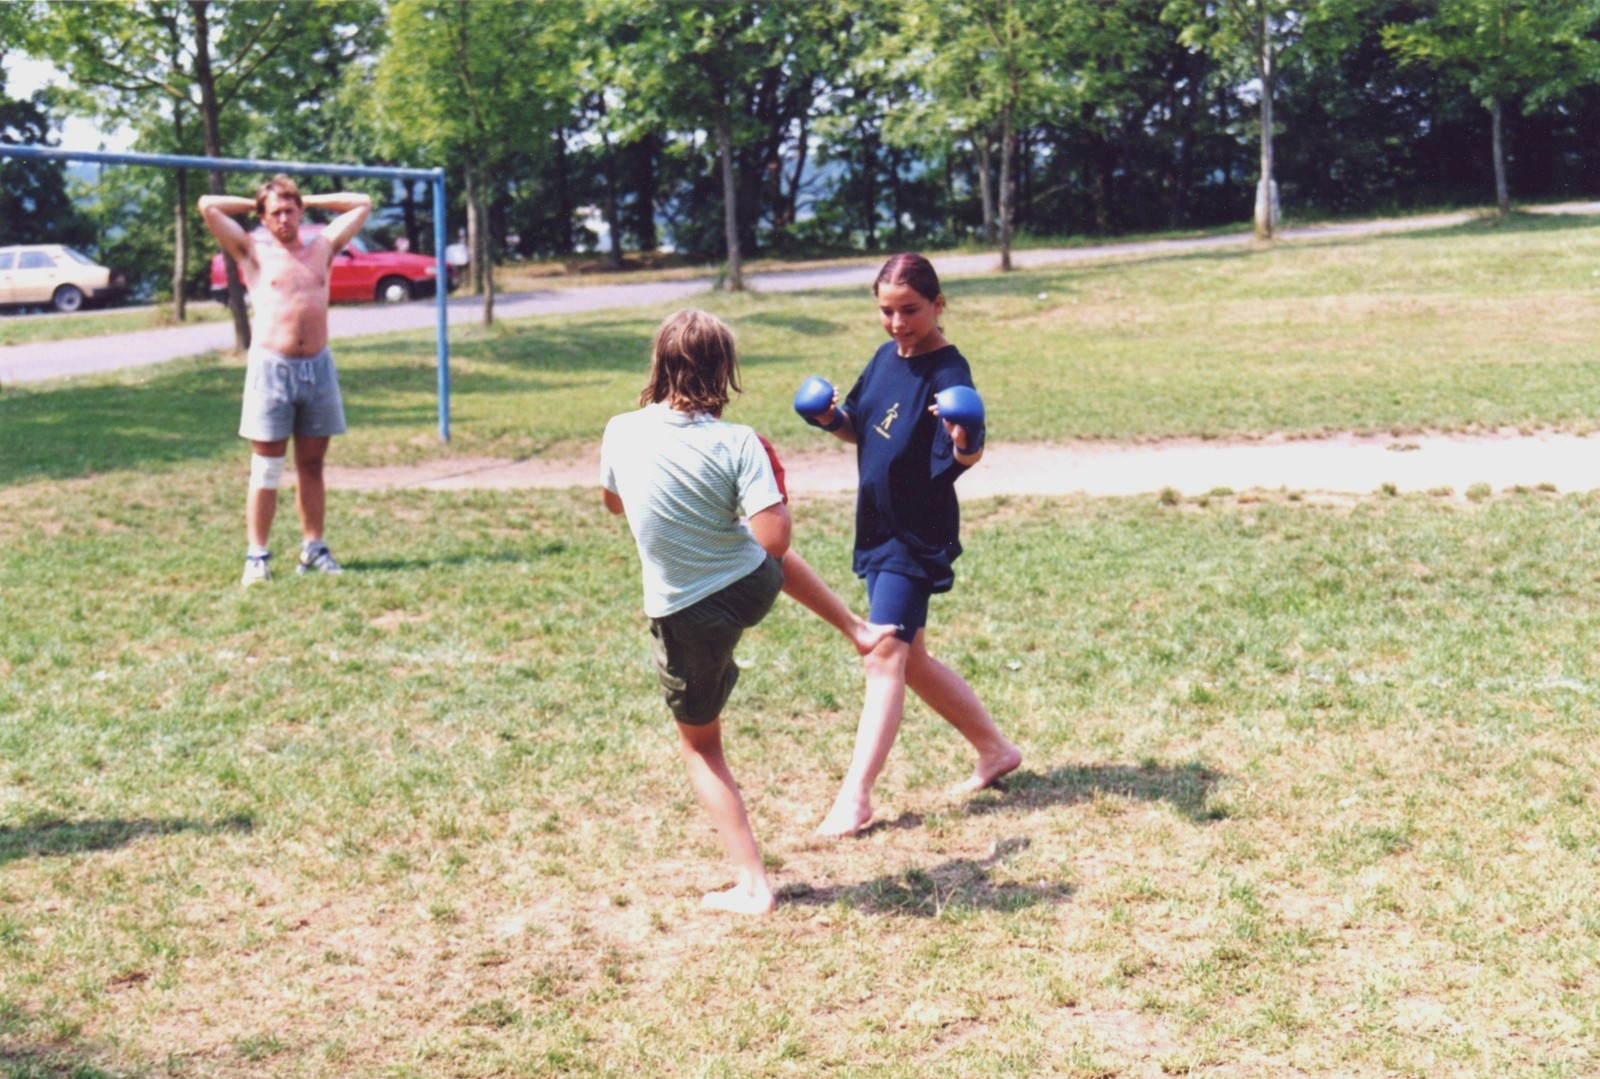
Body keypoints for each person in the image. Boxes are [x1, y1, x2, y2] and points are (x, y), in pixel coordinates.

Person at [797, 253, 1022, 837]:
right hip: (877, 522)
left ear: (938, 304)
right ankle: (995, 750)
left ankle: (855, 797)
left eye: (911, 310)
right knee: (911, 659)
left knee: (884, 654)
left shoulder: (948, 370)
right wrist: (829, 417)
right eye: (886, 311)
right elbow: (859, 427)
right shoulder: (884, 357)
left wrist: (967, 439)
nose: (898, 323)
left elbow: (965, 453)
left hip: (914, 531)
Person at [600, 308, 793, 915]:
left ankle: (753, 887)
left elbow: (613, 504)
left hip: (687, 614)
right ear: (725, 369)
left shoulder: (620, 430)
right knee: (750, 553)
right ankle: (851, 625)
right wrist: (768, 489)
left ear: (657, 364)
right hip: (753, 588)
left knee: (702, 746)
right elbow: (775, 539)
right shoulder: (739, 441)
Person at [199, 174, 373, 586]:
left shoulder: (322, 248)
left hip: (318, 369)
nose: (283, 219)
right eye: (275, 213)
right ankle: (257, 556)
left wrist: (305, 198)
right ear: (263, 218)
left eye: (290, 211)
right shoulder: (252, 251)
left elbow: (362, 203)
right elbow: (208, 205)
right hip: (272, 370)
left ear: (301, 213)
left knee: (312, 464)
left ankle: (314, 548)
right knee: (266, 467)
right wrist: (259, 201)